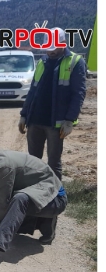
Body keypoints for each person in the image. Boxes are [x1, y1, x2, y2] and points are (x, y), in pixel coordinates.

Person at [19, 27, 87, 180]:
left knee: (53, 162)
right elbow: (33, 90)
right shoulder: (43, 61)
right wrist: (24, 115)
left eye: (53, 48)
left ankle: (56, 197)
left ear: (63, 43)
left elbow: (79, 93)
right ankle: (35, 192)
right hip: (35, 119)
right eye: (47, 48)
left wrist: (69, 120)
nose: (50, 52)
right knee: (33, 161)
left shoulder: (75, 62)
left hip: (56, 123)